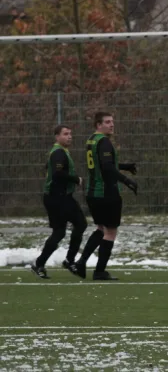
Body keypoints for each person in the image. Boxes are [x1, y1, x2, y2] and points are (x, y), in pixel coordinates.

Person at [73, 112, 138, 280]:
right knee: (111, 231)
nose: (112, 125)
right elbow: (107, 168)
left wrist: (124, 166)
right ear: (98, 125)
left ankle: (81, 262)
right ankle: (100, 271)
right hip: (106, 193)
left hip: (92, 192)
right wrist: (126, 180)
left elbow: (102, 164)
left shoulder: (91, 140)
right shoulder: (104, 142)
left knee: (101, 228)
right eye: (107, 122)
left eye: (112, 121)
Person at [31, 125, 87, 279]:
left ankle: (40, 263)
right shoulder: (58, 152)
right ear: (57, 137)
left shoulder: (60, 152)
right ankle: (68, 260)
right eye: (65, 134)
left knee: (61, 231)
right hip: (58, 198)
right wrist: (76, 179)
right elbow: (57, 173)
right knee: (80, 224)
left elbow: (51, 170)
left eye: (70, 134)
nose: (69, 136)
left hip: (58, 196)